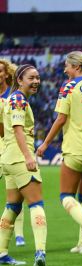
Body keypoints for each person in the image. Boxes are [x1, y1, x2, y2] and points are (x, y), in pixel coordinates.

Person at [36, 51, 82, 253]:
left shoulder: (69, 87)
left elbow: (61, 119)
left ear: (76, 67)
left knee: (66, 195)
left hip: (77, 147)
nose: (65, 69)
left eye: (67, 66)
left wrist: (45, 144)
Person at [0, 64, 47, 266]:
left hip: (8, 159)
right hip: (21, 159)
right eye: (31, 78)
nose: (36, 81)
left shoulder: (11, 100)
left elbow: (4, 130)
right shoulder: (19, 99)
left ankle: (2, 253)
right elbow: (18, 130)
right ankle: (40, 253)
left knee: (12, 206)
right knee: (36, 204)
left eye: (37, 77)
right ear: (19, 80)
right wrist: (29, 156)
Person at [0, 59, 26, 248]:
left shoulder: (13, 94)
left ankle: (19, 234)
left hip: (9, 147)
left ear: (7, 73)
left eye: (1, 71)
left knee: (17, 193)